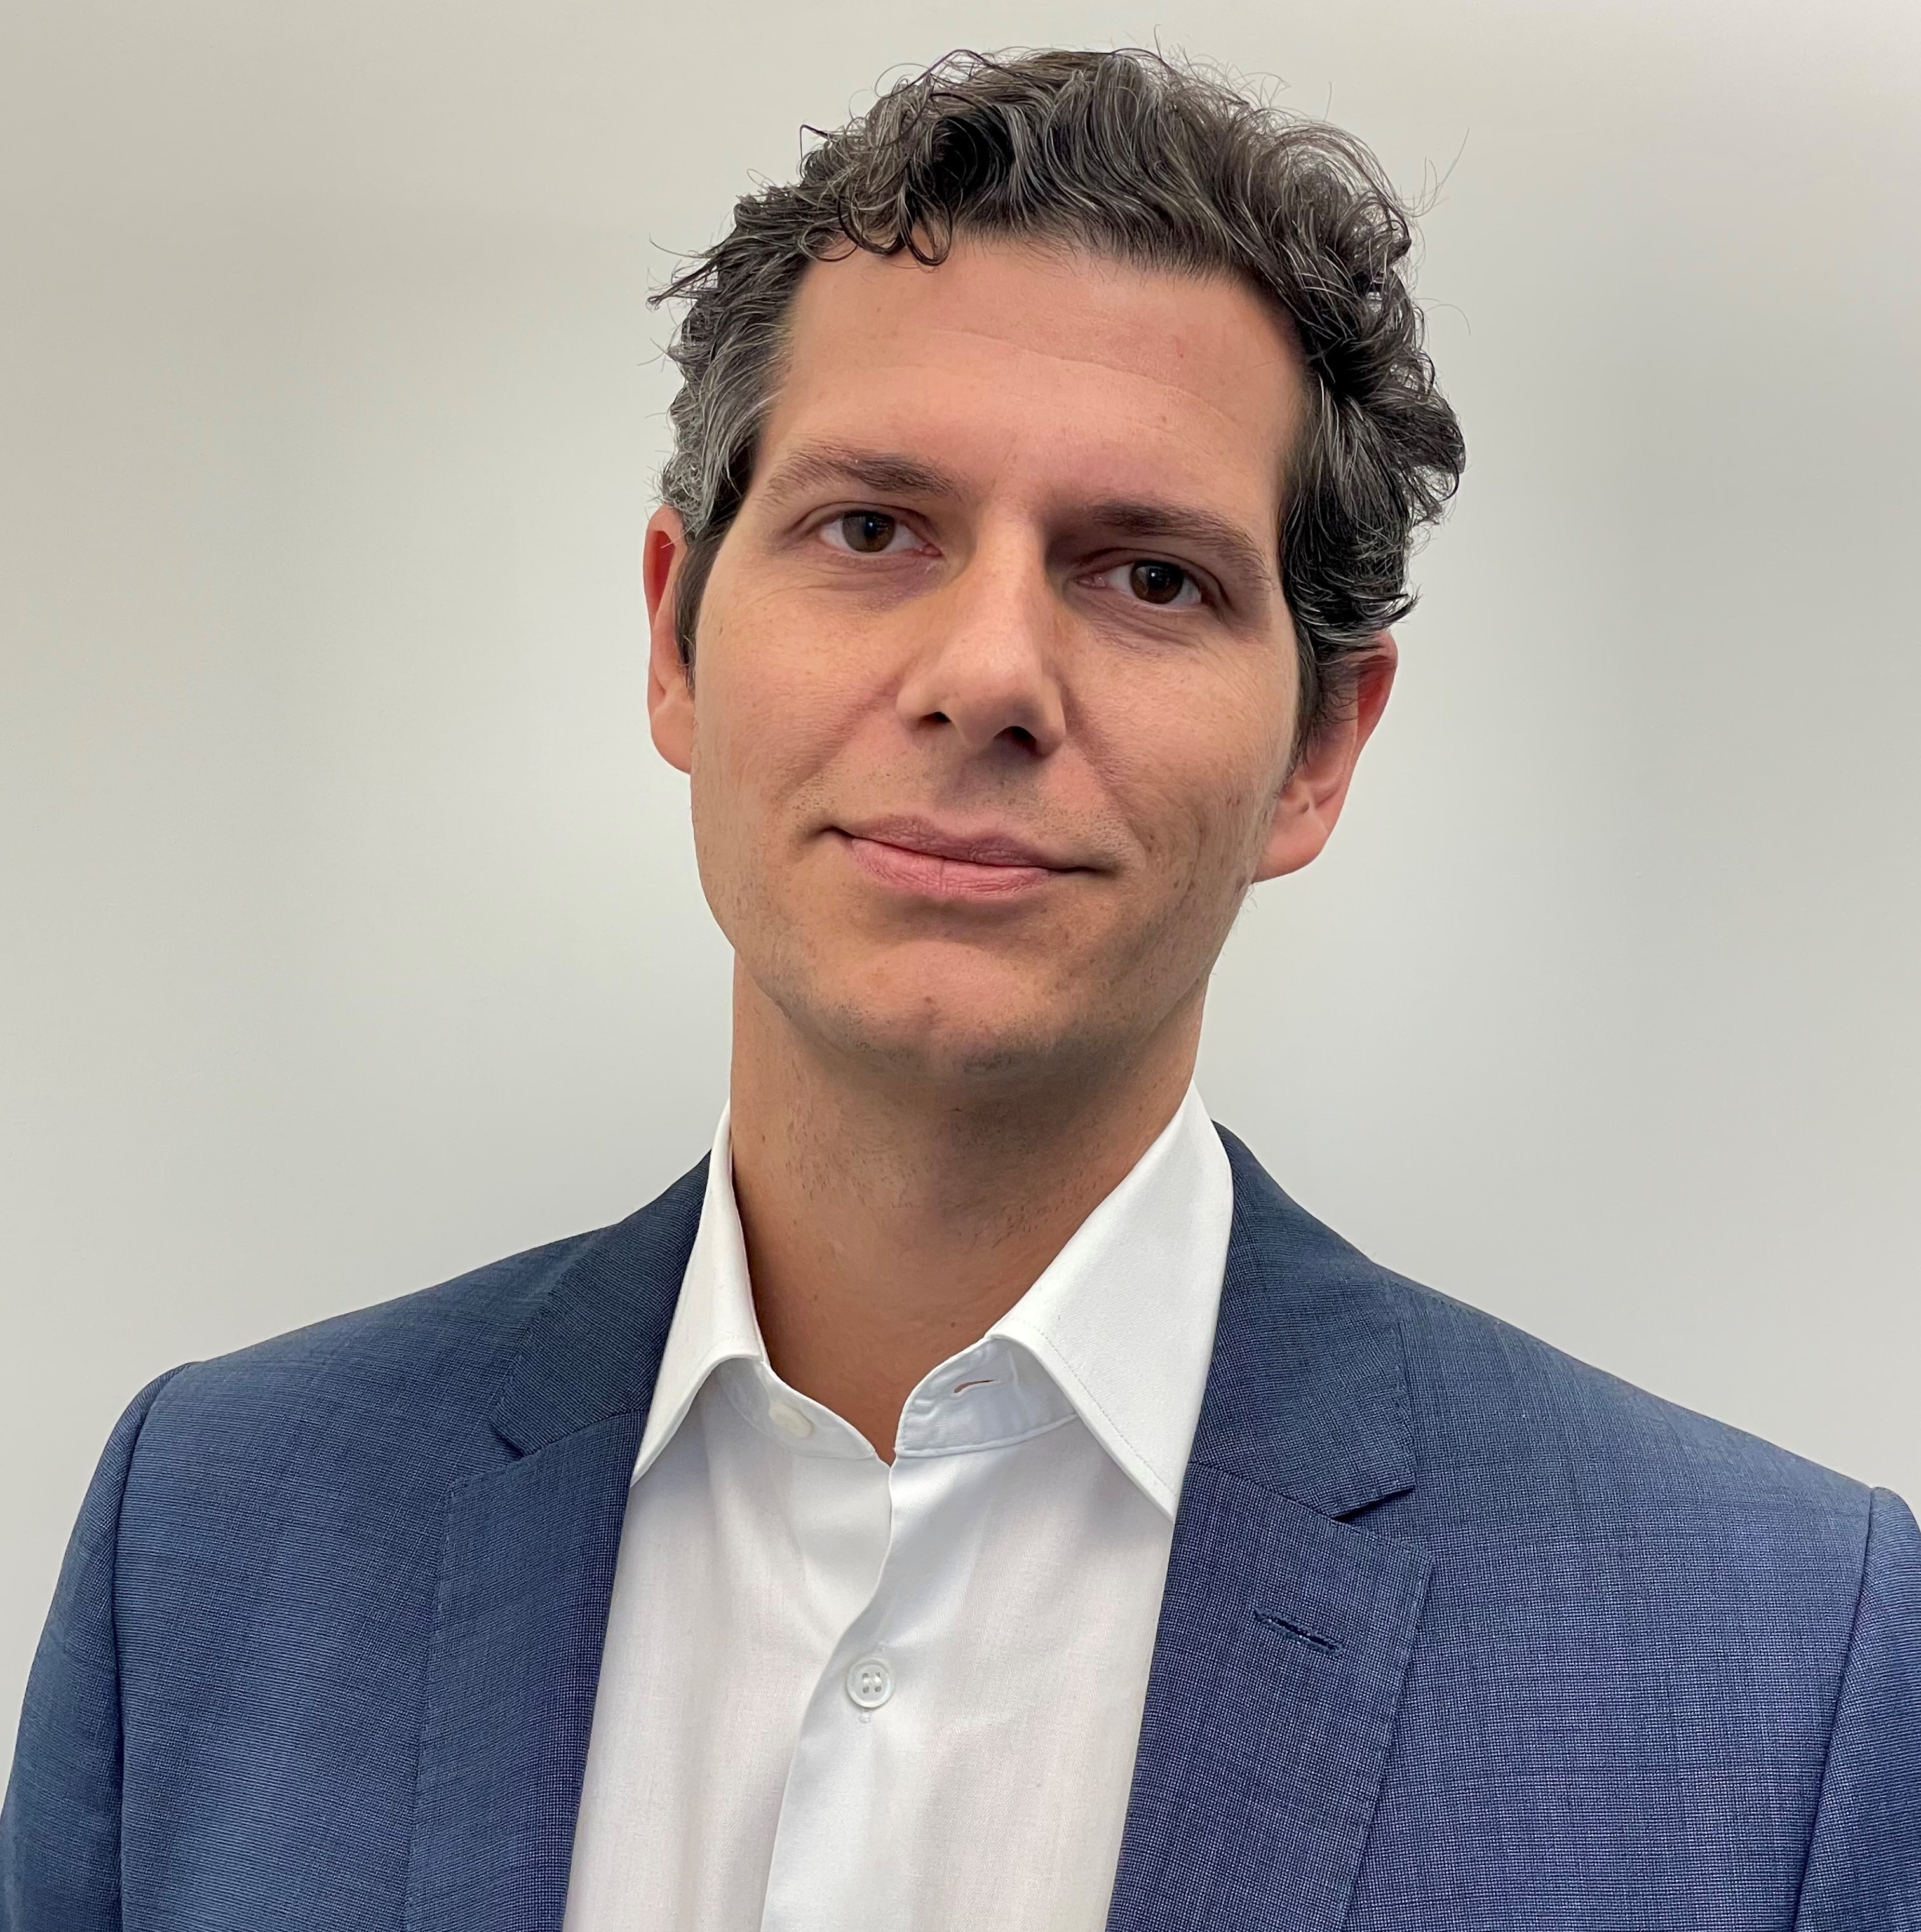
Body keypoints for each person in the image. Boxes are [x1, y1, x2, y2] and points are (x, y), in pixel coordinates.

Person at [3, 44, 1915, 1932]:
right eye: (872, 529)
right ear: (675, 640)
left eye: (1148, 576)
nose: (988, 674)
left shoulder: (1773, 1670)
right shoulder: (211, 1545)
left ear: (1322, 749)